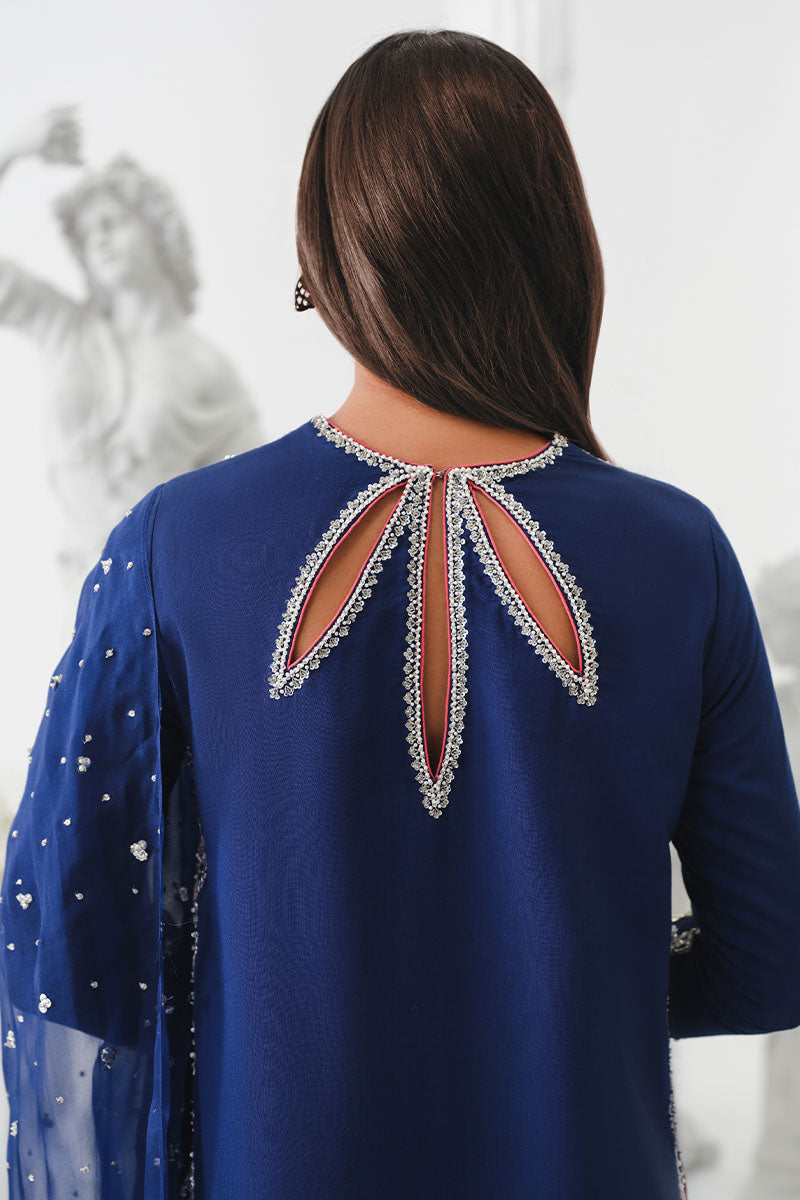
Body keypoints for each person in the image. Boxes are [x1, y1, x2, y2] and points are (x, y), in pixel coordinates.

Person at [1, 27, 800, 1200]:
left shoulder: (177, 543)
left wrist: (273, 985)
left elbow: (69, 953)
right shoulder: (677, 554)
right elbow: (765, 956)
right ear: (556, 247)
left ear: (318, 259)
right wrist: (556, 991)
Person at [0, 108, 265, 609]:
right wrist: (12, 148)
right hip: (78, 604)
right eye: (86, 234)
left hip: (160, 607)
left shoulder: (205, 365)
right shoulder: (64, 329)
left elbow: (255, 512)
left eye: (112, 222)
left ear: (157, 231)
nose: (97, 238)